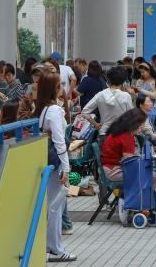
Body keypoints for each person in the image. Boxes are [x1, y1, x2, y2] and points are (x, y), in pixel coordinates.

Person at [35, 71, 76, 262]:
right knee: (55, 207)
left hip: (48, 161)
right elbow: (60, 142)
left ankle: (52, 246)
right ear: (53, 89)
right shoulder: (54, 111)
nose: (63, 88)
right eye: (60, 85)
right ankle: (55, 249)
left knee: (52, 206)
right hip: (56, 163)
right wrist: (66, 167)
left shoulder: (43, 109)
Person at [81, 66, 135, 138]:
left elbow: (85, 112)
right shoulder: (126, 96)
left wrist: (96, 124)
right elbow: (131, 116)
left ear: (109, 80)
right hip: (121, 134)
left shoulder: (100, 95)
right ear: (123, 81)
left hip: (104, 133)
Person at [101, 108, 147, 181]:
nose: (142, 127)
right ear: (134, 124)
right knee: (152, 176)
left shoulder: (119, 130)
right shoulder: (126, 137)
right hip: (114, 171)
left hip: (108, 168)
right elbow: (130, 162)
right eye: (141, 125)